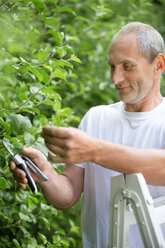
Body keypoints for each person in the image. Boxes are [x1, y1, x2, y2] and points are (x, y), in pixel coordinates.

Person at [10, 22, 165, 247]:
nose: (115, 78)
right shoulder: (96, 117)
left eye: (127, 66)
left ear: (158, 64)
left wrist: (94, 151)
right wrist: (45, 173)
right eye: (112, 67)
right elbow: (68, 194)